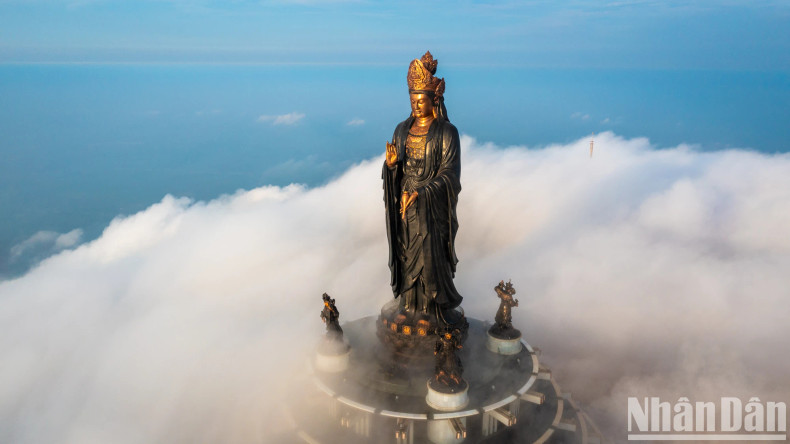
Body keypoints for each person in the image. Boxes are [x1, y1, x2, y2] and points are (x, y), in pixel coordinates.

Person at [382, 51, 463, 326]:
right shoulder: (402, 130)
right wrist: (392, 167)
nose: (416, 106)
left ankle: (430, 309)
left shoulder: (446, 132)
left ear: (433, 99)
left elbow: (450, 174)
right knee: (406, 253)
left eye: (421, 100)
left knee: (428, 254)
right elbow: (397, 170)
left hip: (429, 205)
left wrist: (423, 192)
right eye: (412, 101)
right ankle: (408, 303)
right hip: (405, 202)